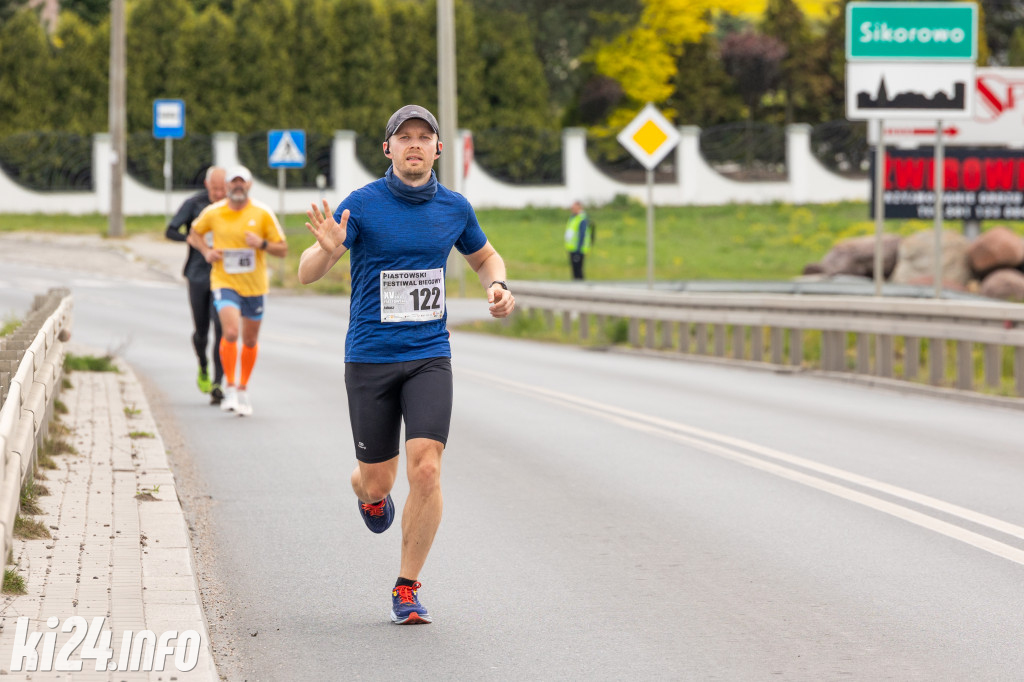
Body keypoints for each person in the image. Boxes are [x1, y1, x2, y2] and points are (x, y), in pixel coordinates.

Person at [298, 104, 515, 625]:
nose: (414, 145)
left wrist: (498, 286)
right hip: (370, 357)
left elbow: (486, 257)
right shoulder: (362, 205)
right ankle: (365, 492)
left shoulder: (455, 208)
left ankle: (407, 586)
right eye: (404, 138)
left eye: (424, 137)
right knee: (379, 482)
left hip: (428, 357)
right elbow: (307, 272)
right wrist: (327, 251)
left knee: (426, 467)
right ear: (388, 149)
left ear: (438, 149)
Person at [187, 165, 287, 417]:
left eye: (242, 183)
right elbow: (194, 233)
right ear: (227, 186)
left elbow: (282, 248)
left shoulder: (262, 213)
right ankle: (230, 387)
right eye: (233, 183)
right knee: (230, 331)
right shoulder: (214, 212)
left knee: (250, 340)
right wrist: (207, 251)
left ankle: (243, 388)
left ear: (249, 185)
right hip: (224, 281)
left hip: (254, 286)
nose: (237, 187)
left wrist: (261, 244)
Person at [166, 166, 228, 404]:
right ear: (206, 185)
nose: (219, 193)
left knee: (221, 329)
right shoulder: (194, 204)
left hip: (224, 276)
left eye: (223, 188)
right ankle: (203, 364)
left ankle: (217, 383)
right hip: (197, 274)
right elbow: (170, 230)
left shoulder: (232, 207)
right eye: (215, 188)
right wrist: (189, 239)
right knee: (202, 331)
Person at [564, 200, 593, 280]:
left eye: (573, 207)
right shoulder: (573, 217)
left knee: (578, 270)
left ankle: (581, 288)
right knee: (574, 271)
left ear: (578, 207)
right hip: (572, 248)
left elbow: (582, 235)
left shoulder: (581, 219)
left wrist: (578, 249)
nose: (572, 209)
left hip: (578, 249)